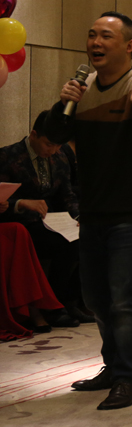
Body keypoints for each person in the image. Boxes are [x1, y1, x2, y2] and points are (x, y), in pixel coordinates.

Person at [48, 11, 132, 410]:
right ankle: (113, 367)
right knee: (96, 298)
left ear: (129, 46)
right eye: (92, 35)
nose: (95, 43)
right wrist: (64, 102)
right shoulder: (83, 91)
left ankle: (128, 379)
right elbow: (53, 134)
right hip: (95, 211)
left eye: (106, 36)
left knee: (125, 298)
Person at [0, 110, 91, 327]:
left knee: (90, 237)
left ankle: (71, 302)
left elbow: (67, 195)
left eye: (58, 145)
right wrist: (20, 204)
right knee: (67, 245)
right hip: (22, 222)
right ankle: (54, 307)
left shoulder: (59, 157)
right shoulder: (8, 156)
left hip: (52, 222)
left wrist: (79, 217)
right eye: (49, 144)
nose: (53, 150)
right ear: (34, 135)